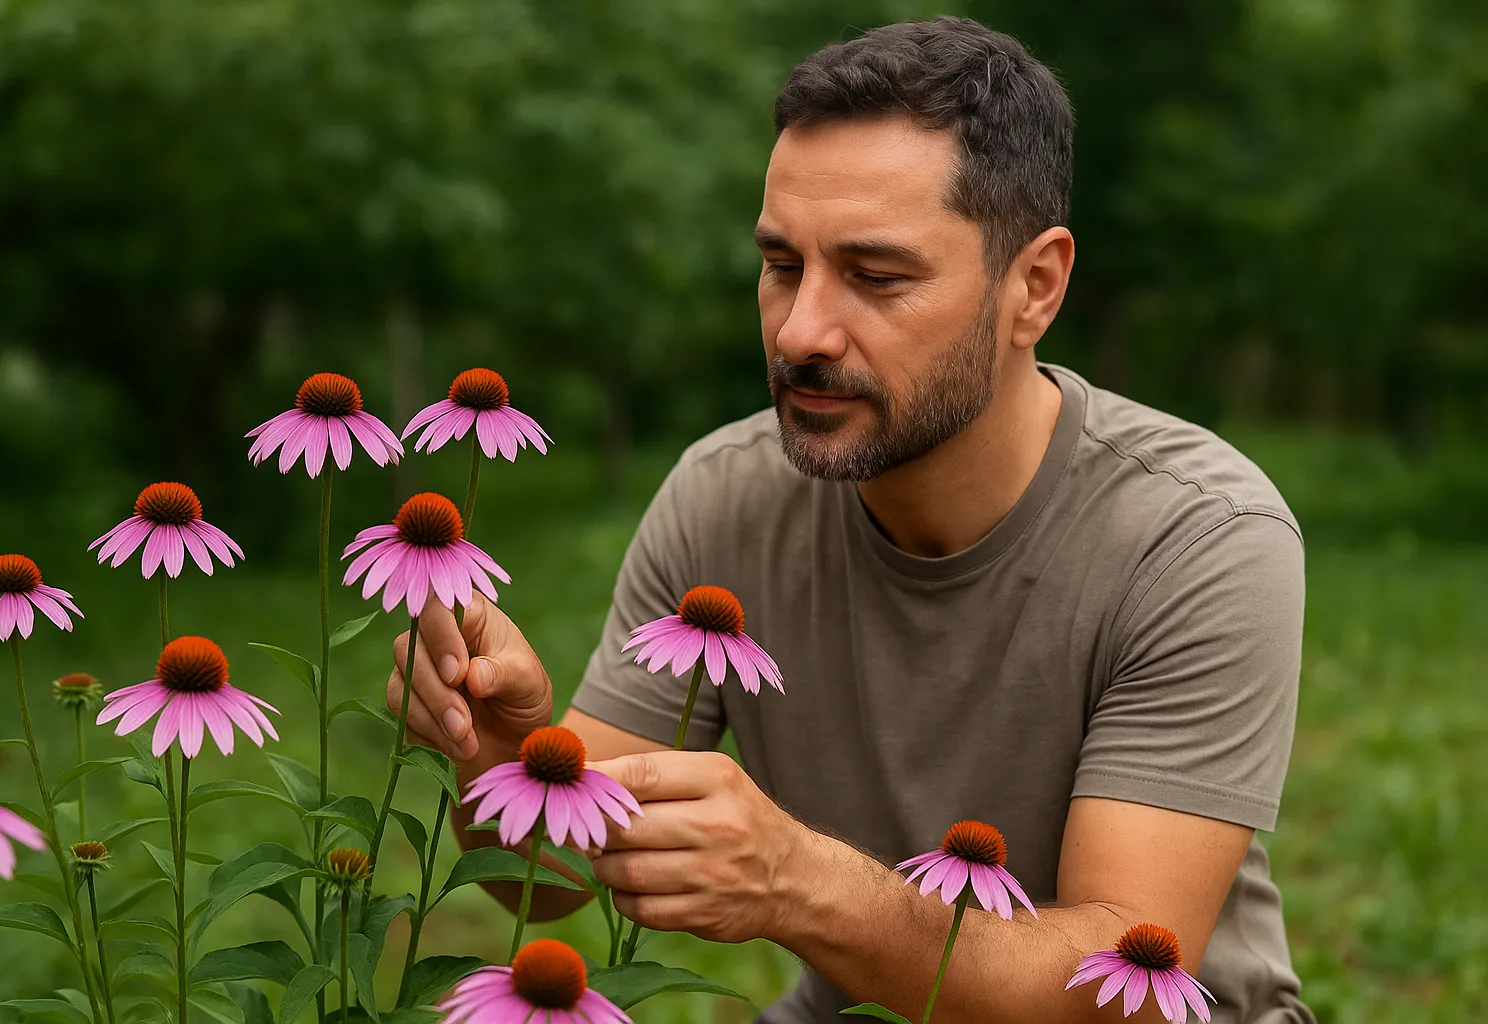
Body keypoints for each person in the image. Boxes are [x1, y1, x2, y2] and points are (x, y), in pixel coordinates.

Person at [384, 16, 1314, 1023]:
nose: (802, 330)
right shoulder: (724, 497)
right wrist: (504, 754)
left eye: (876, 276)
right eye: (783, 265)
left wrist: (799, 881)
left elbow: (1118, 988)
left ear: (1034, 287)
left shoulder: (1198, 538)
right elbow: (555, 880)